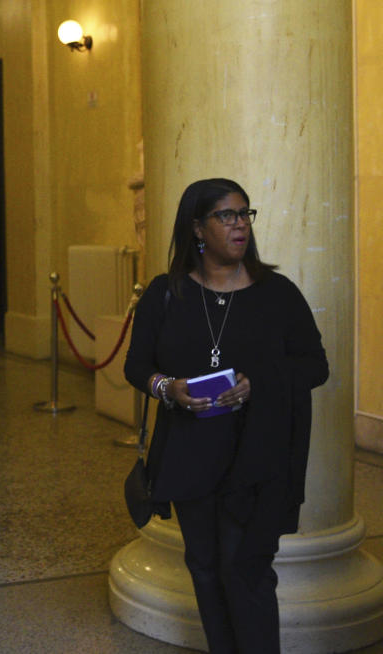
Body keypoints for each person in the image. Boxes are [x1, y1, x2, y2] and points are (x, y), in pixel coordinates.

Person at [124, 178, 329, 653]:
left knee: (248, 568)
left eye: (244, 214)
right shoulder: (165, 293)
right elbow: (137, 366)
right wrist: (169, 389)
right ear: (197, 228)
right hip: (191, 453)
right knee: (205, 565)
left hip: (258, 457)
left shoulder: (277, 294)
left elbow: (314, 366)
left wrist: (259, 382)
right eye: (226, 215)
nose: (239, 225)